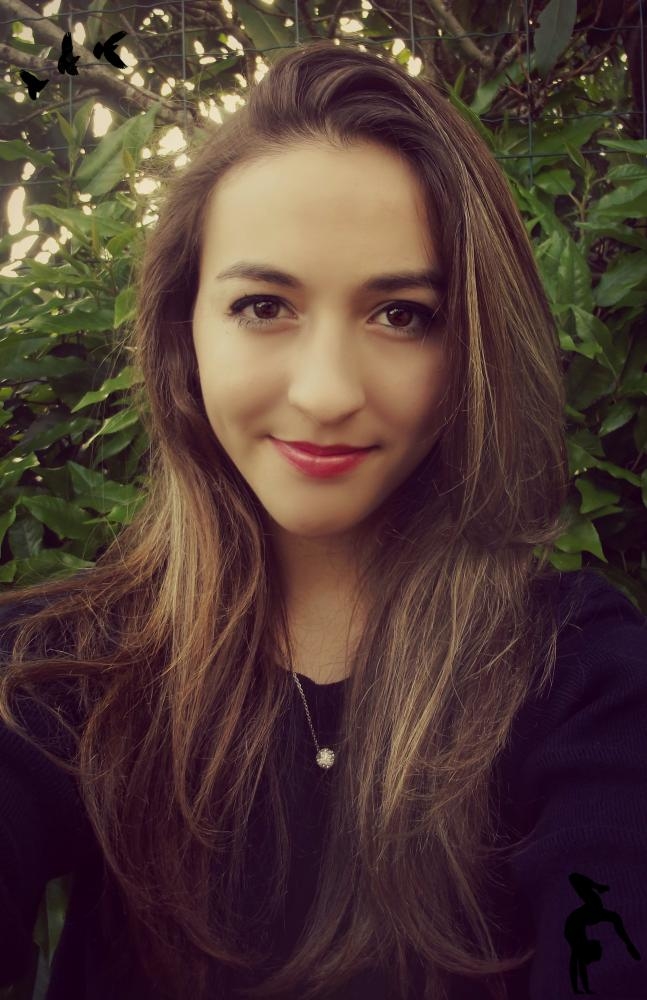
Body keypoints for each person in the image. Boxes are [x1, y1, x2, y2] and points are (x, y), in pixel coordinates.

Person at [0, 38, 645, 1000]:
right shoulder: (57, 670)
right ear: (184, 331)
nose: (327, 392)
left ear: (470, 345)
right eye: (264, 305)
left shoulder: (576, 676)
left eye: (402, 315)